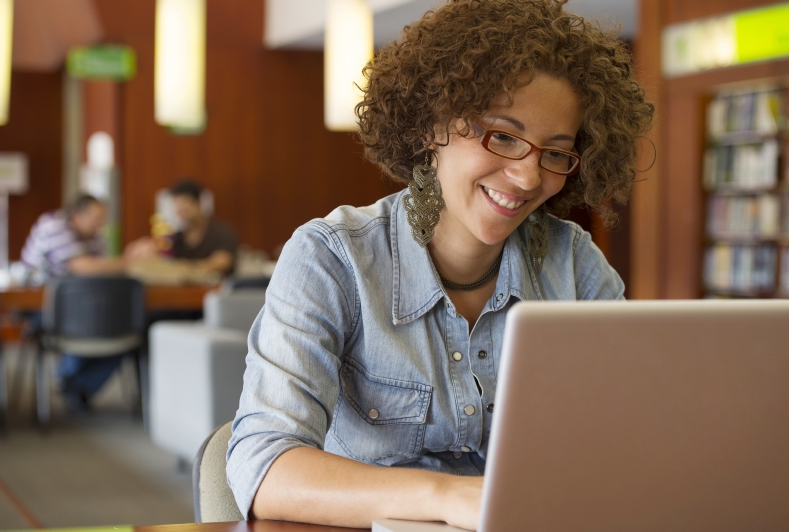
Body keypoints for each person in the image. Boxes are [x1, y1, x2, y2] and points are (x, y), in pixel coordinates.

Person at [227, 1, 654, 529]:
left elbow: (629, 441)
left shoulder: (574, 263)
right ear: (433, 125)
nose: (526, 176)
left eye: (554, 153)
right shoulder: (332, 258)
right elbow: (264, 468)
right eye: (502, 135)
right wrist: (453, 498)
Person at [21, 194, 130, 410]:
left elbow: (102, 272)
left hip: (83, 307)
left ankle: (73, 381)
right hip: (41, 306)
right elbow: (83, 267)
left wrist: (120, 262)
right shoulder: (52, 225)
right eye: (96, 217)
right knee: (88, 321)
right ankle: (71, 379)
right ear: (77, 215)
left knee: (127, 326)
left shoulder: (94, 235)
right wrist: (131, 260)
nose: (100, 224)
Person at [166, 179, 238, 275]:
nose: (182, 209)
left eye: (185, 203)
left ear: (198, 202)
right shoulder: (177, 237)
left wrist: (184, 267)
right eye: (177, 205)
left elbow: (223, 262)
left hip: (216, 288)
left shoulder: (222, 233)